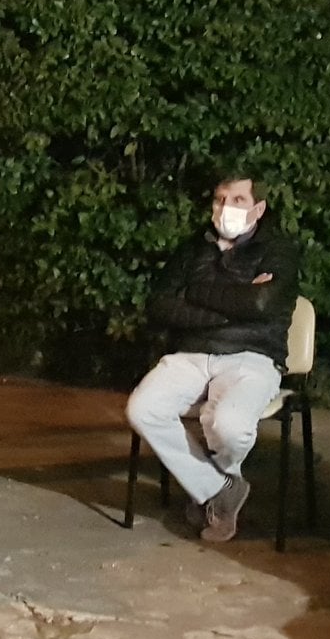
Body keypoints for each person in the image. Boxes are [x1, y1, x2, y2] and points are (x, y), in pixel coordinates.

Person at [125, 171, 301, 543]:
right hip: (190, 352)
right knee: (143, 409)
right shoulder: (193, 247)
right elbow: (159, 304)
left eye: (238, 200)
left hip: (252, 354)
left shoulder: (279, 250)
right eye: (220, 199)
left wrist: (196, 292)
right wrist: (235, 305)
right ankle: (219, 489)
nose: (226, 208)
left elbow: (262, 303)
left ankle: (210, 489)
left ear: (258, 208)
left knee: (228, 425)